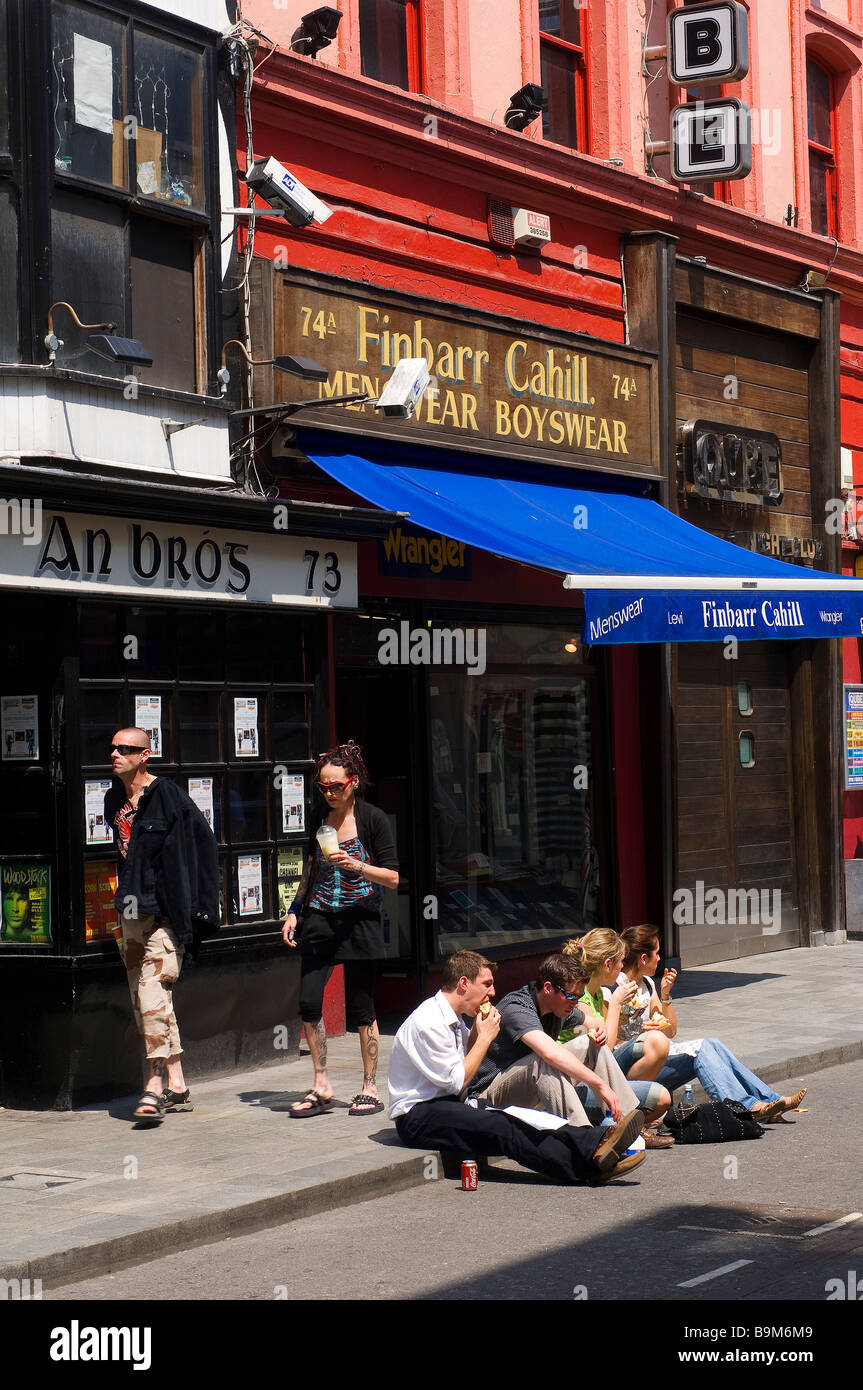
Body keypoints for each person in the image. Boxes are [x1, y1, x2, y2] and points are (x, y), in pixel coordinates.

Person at [388, 950, 646, 1185]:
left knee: (513, 1122)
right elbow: (457, 1082)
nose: (492, 993)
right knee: (504, 1127)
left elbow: (459, 1067)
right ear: (464, 983)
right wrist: (485, 1038)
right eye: (486, 985)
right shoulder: (430, 1021)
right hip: (417, 1115)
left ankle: (596, 1146)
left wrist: (477, 1033)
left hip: (446, 1104)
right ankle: (588, 1164)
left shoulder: (453, 1019)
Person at [104, 728, 219, 1126]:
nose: (116, 754)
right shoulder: (113, 799)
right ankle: (179, 1085)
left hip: (166, 916)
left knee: (152, 994)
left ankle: (152, 1085)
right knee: (146, 1002)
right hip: (132, 916)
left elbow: (204, 845)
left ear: (145, 755)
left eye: (125, 749)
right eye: (113, 748)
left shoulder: (167, 796)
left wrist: (196, 911)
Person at [282, 741, 398, 1118]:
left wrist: (357, 866)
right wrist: (295, 910)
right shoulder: (319, 817)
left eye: (336, 786)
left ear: (353, 782)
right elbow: (311, 867)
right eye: (323, 787)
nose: (329, 793)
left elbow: (394, 877)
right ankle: (321, 1083)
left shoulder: (373, 819)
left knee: (362, 1006)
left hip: (360, 917)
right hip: (319, 916)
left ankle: (369, 1087)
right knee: (308, 1001)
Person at [616, 925, 806, 1122]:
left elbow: (670, 1030)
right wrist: (638, 1030)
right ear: (643, 959)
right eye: (656, 953)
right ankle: (746, 1107)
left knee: (712, 1043)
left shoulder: (647, 984)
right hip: (634, 1068)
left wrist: (665, 994)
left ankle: (770, 1102)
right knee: (703, 1049)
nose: (659, 958)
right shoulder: (616, 988)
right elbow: (609, 1042)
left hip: (656, 1059)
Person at [467, 953, 647, 1131]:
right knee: (543, 1060)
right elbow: (550, 1053)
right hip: (489, 1095)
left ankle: (629, 1124)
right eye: (571, 997)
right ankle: (582, 1137)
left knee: (590, 1043)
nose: (575, 1003)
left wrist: (598, 1029)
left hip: (528, 1086)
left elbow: (593, 1022)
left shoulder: (560, 1006)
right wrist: (599, 1083)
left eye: (579, 997)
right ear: (548, 988)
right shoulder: (517, 1008)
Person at [561, 930, 675, 1148]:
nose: (623, 967)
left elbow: (606, 1052)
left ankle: (621, 1124)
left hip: (598, 1074)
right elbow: (607, 1047)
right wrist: (615, 1003)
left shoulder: (594, 993)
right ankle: (617, 1128)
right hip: (577, 1086)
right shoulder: (578, 999)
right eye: (620, 962)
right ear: (607, 964)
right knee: (661, 1098)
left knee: (662, 1090)